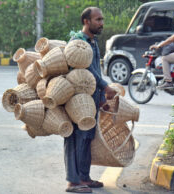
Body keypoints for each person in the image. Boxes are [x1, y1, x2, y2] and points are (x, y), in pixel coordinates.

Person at [64, 7, 117, 193]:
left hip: (91, 98)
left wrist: (101, 96)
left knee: (86, 137)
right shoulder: (78, 42)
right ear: (86, 21)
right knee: (75, 138)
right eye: (98, 20)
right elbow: (86, 69)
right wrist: (105, 86)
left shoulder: (92, 42)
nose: (101, 23)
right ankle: (73, 181)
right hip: (78, 100)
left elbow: (97, 69)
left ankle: (84, 177)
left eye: (102, 19)